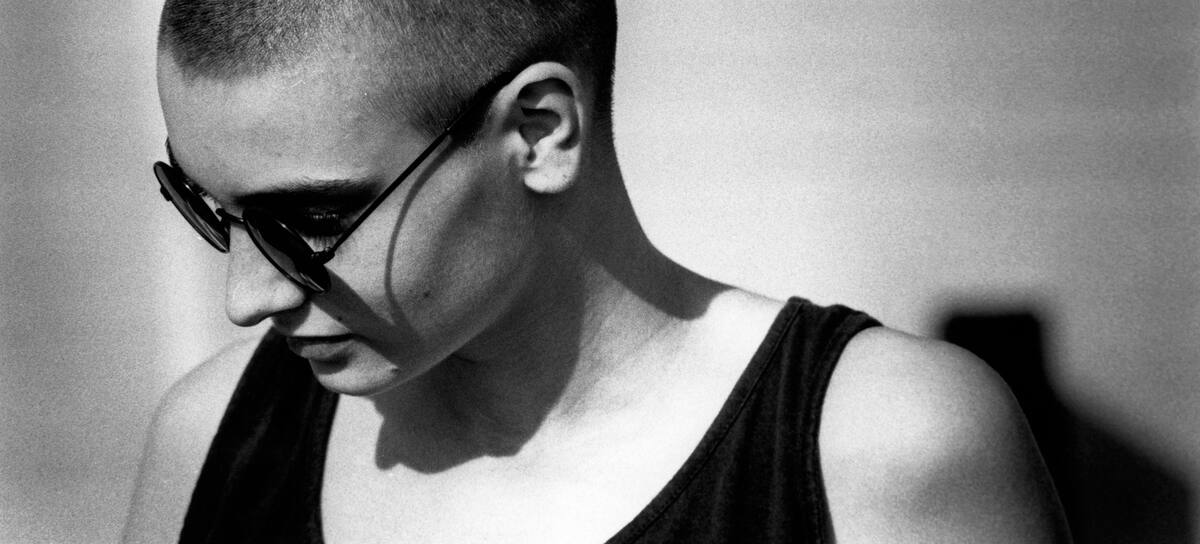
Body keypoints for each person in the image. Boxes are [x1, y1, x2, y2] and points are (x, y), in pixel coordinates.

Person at [124, 1, 1071, 542]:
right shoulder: (210, 439)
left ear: (540, 133)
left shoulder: (875, 451)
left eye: (312, 221)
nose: (246, 296)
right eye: (208, 207)